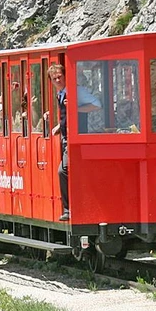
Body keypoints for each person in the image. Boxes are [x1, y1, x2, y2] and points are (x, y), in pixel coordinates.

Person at [48, 63, 101, 221]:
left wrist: (76, 109)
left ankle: (69, 208)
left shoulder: (76, 91)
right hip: (67, 137)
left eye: (60, 76)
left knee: (63, 171)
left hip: (76, 138)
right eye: (54, 78)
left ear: (65, 76)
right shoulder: (61, 93)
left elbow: (97, 105)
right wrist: (60, 125)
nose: (58, 80)